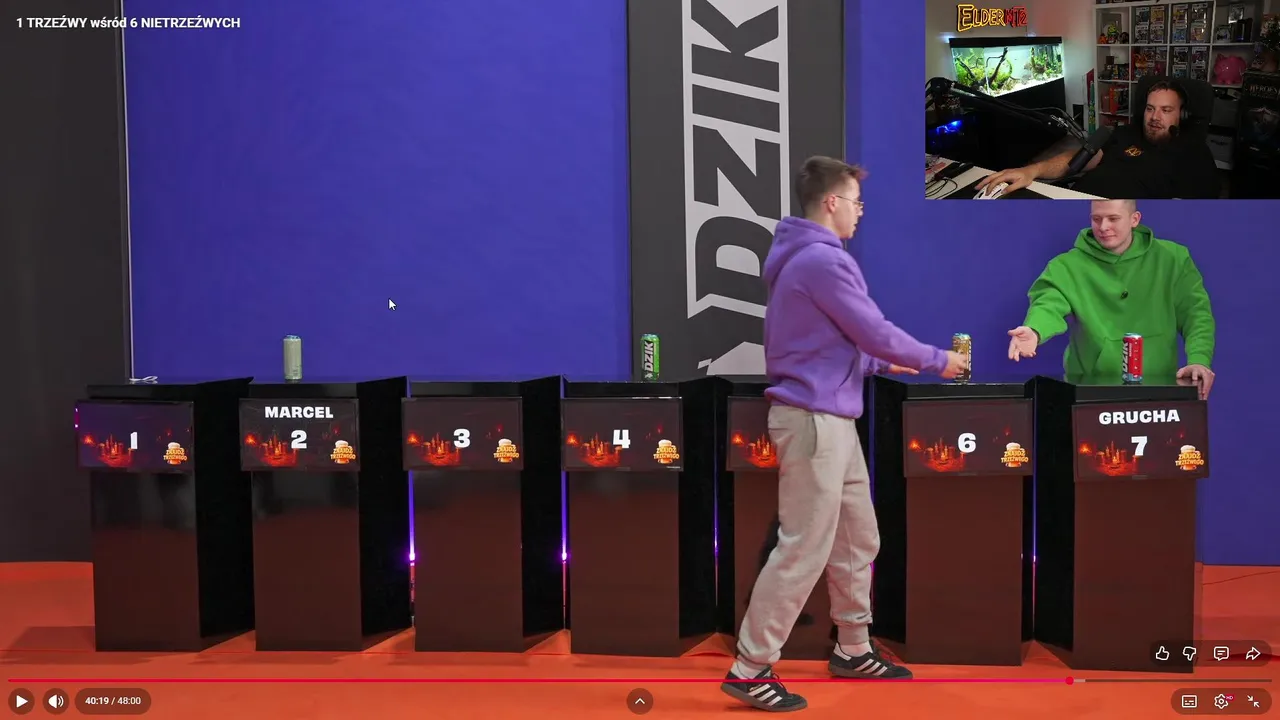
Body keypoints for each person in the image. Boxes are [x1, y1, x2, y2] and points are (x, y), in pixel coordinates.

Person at [722, 156, 968, 713]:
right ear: (831, 202)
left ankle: (853, 648)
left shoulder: (806, 257)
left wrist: (881, 364)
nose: (861, 211)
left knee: (857, 536)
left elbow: (824, 338)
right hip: (814, 420)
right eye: (856, 202)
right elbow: (871, 329)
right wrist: (937, 360)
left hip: (832, 417)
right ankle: (750, 667)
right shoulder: (821, 259)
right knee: (804, 546)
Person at [1008, 199, 1216, 399]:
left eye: (1113, 218)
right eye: (1096, 219)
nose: (1103, 227)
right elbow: (1048, 304)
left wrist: (1199, 360)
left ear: (1134, 219)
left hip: (1159, 386)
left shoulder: (1174, 258)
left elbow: (1196, 314)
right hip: (1089, 390)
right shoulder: (1066, 266)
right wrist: (1035, 330)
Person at [976, 80, 1220, 199]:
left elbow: (1192, 216)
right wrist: (1032, 170)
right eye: (1150, 109)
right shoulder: (1125, 133)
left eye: (1166, 110)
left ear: (1183, 115)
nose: (1155, 117)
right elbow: (1079, 158)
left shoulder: (1194, 153)